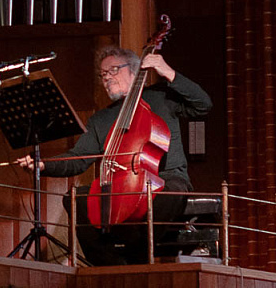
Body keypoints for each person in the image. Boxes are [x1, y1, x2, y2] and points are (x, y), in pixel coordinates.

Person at [16, 46, 212, 265]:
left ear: (135, 70)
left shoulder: (161, 97)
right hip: (119, 186)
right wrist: (43, 164)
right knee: (76, 199)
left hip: (167, 178)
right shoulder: (101, 119)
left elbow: (202, 105)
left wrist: (166, 70)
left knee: (162, 197)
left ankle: (136, 261)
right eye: (103, 74)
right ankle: (108, 268)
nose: (106, 77)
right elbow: (78, 159)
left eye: (113, 70)